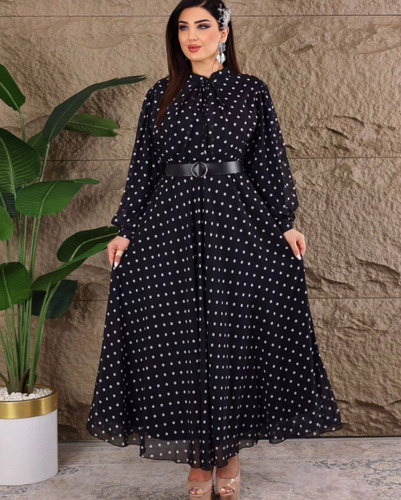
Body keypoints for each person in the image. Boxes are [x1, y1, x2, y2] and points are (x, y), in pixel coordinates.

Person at [86, 1, 344, 499]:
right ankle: (200, 459)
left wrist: (285, 223)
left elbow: (269, 161)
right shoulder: (160, 94)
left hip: (237, 223)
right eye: (183, 27)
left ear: (223, 32)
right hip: (170, 224)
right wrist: (125, 229)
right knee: (181, 342)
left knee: (231, 341)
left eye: (203, 26)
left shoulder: (251, 91)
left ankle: (227, 455)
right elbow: (143, 167)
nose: (192, 36)